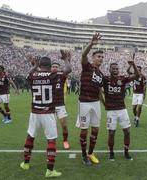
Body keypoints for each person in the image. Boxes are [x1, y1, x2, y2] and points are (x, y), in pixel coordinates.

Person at [20, 50, 72, 178]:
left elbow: (28, 75)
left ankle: (26, 163)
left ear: (40, 65)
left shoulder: (34, 75)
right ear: (50, 66)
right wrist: (65, 59)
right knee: (51, 140)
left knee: (30, 136)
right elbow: (69, 69)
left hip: (35, 112)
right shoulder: (54, 74)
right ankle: (49, 170)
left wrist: (34, 65)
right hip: (48, 112)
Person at [75, 33, 104, 166]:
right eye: (98, 56)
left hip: (96, 103)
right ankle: (83, 155)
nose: (101, 59)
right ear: (93, 58)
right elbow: (83, 55)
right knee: (84, 130)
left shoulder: (100, 74)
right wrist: (92, 43)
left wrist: (105, 104)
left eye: (102, 57)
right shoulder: (87, 67)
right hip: (84, 103)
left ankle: (90, 153)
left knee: (96, 130)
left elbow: (99, 91)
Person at [104, 58, 139, 161]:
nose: (115, 70)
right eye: (113, 69)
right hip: (111, 110)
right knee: (111, 133)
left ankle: (126, 152)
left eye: (117, 69)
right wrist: (103, 102)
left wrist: (133, 64)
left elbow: (137, 76)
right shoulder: (105, 79)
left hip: (122, 109)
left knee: (127, 132)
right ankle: (111, 152)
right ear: (109, 70)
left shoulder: (122, 78)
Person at [51, 61, 72, 149]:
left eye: (56, 66)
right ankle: (52, 142)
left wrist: (67, 60)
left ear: (59, 68)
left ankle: (65, 140)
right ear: (50, 68)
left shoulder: (62, 76)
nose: (55, 67)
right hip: (50, 106)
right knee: (52, 126)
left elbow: (68, 70)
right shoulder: (46, 76)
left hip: (60, 105)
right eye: (53, 66)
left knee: (64, 125)